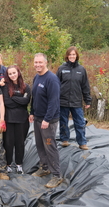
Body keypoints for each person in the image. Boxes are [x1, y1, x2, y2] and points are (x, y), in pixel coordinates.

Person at [29, 53, 63, 188]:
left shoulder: (52, 79)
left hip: (48, 120)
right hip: (37, 118)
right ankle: (44, 167)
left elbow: (54, 101)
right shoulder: (36, 77)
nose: (38, 65)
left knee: (50, 146)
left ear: (46, 63)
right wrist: (32, 112)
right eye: (36, 62)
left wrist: (47, 119)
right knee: (39, 144)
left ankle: (57, 175)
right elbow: (34, 97)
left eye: (40, 62)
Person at [56, 46, 92, 150]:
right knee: (63, 122)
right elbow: (56, 84)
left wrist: (87, 100)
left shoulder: (81, 70)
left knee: (80, 122)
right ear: (67, 56)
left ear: (77, 56)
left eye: (74, 55)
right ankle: (64, 140)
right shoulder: (61, 69)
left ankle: (82, 142)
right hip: (63, 101)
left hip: (76, 101)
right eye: (70, 54)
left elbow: (85, 86)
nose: (72, 56)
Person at [1, 65, 31, 174]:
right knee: (8, 143)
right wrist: (19, 100)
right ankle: (8, 164)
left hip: (22, 119)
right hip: (9, 119)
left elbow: (26, 101)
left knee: (20, 143)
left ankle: (19, 165)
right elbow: (6, 102)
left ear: (18, 73)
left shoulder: (26, 87)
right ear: (7, 75)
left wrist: (12, 97)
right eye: (10, 74)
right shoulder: (5, 87)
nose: (12, 75)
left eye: (14, 73)